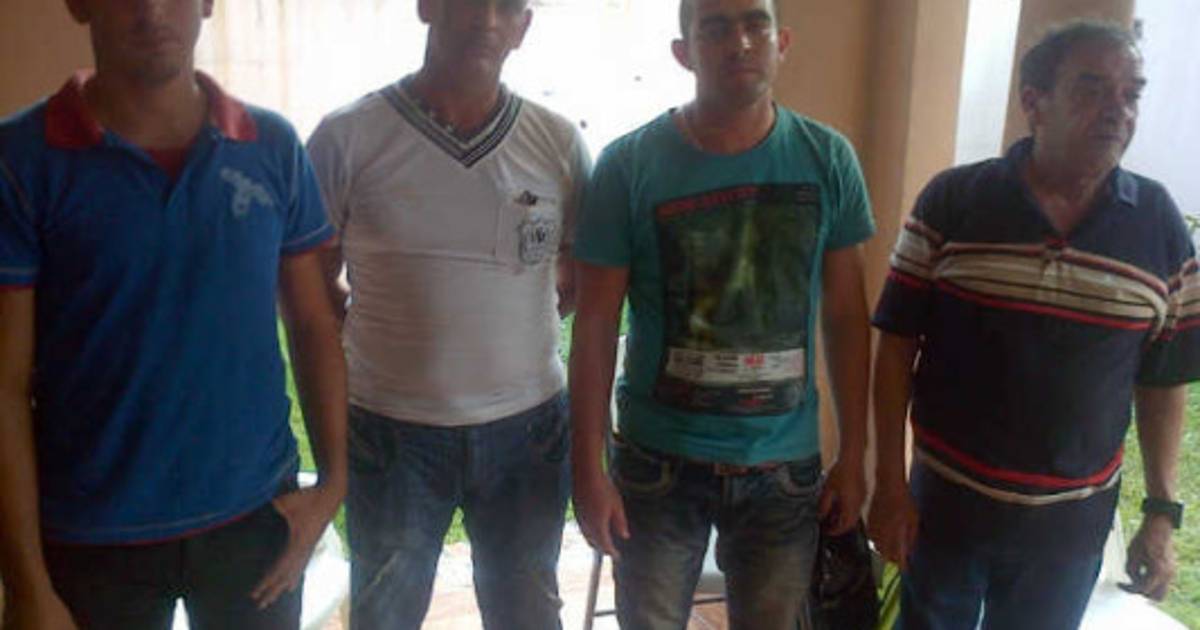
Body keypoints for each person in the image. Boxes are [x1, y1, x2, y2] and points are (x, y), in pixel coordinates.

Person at [0, 1, 348, 629]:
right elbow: (4, 385)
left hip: (255, 521)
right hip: (90, 537)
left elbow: (313, 325)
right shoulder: (20, 161)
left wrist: (333, 485)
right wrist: (26, 584)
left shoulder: (270, 146)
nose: (151, 10)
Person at [868, 20, 1196, 630]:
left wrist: (1160, 511)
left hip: (1067, 533)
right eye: (1092, 88)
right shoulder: (953, 202)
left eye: (1131, 94)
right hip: (944, 510)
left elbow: (1163, 382)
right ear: (1033, 102)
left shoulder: (1159, 226)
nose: (1118, 110)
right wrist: (888, 483)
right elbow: (895, 348)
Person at [569, 0, 875, 627]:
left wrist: (855, 453)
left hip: (783, 470)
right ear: (683, 53)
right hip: (657, 466)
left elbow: (846, 315)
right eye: (715, 27)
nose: (740, 41)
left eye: (756, 23)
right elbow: (595, 325)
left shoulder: (828, 159)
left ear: (782, 41)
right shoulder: (628, 166)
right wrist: (588, 470)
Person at [305, 0, 590, 627]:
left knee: (528, 613)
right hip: (391, 431)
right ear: (427, 7)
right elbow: (307, 286)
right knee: (385, 614)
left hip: (528, 432)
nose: (486, 19)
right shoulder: (346, 138)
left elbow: (577, 275)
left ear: (523, 27)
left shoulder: (559, 143)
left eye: (506, 7)